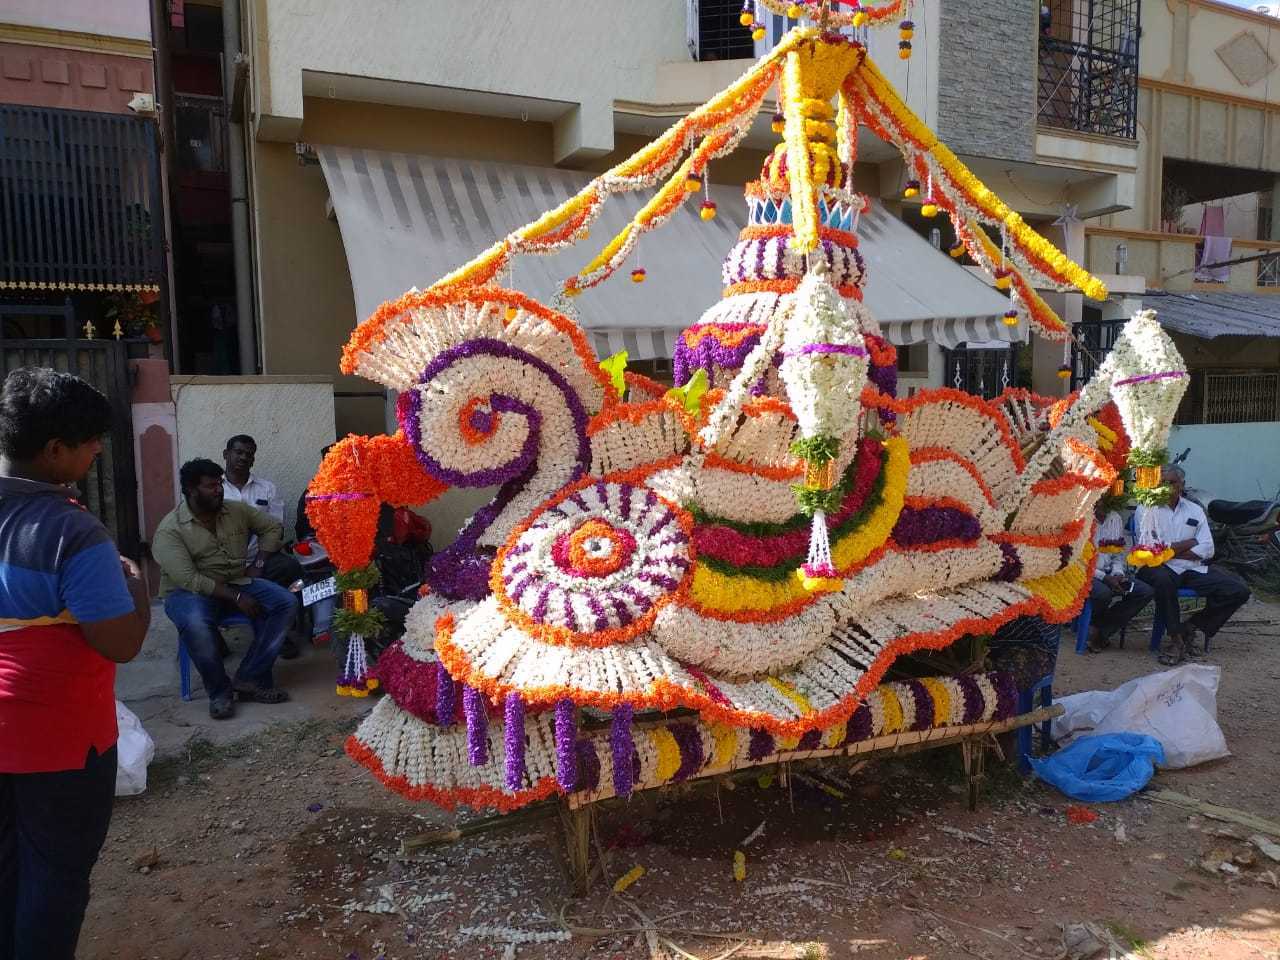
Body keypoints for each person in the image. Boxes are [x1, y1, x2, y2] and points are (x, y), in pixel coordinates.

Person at [0, 368, 150, 959]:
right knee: (55, 877)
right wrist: (134, 583)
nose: (95, 452)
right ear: (54, 450)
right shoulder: (70, 530)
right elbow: (120, 643)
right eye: (90, 442)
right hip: (59, 741)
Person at [153, 458, 296, 719]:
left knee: (285, 601)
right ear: (191, 490)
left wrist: (259, 563)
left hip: (235, 579)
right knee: (197, 623)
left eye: (219, 483)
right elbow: (189, 579)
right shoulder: (170, 529)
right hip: (187, 592)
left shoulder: (235, 510)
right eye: (211, 486)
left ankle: (249, 677)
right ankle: (220, 693)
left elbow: (272, 527)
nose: (219, 489)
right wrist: (237, 596)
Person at [1135, 465, 1251, 665]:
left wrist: (1170, 550)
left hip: (1191, 568)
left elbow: (1208, 549)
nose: (1166, 487)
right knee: (1163, 580)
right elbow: (1150, 549)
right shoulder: (1146, 509)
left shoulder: (1195, 510)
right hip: (1155, 568)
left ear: (1182, 485)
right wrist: (1189, 543)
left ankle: (1191, 626)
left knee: (1238, 590)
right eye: (1162, 483)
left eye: (1172, 483)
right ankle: (1175, 639)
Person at [221, 434, 303, 658]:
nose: (243, 457)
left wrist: (259, 562)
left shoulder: (267, 489)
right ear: (226, 454)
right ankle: (270, 630)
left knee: (291, 568)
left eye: (249, 454)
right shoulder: (215, 488)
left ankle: (278, 627)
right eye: (238, 452)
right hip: (224, 562)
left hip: (261, 558)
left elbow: (276, 530)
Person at [1085, 501, 1153, 652]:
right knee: (1104, 593)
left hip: (1110, 573)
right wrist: (1104, 577)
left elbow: (1118, 554)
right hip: (1084, 573)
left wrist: (1118, 574)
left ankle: (1100, 630)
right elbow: (1077, 561)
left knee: (1144, 591)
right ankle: (1096, 631)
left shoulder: (1115, 517)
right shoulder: (1080, 516)